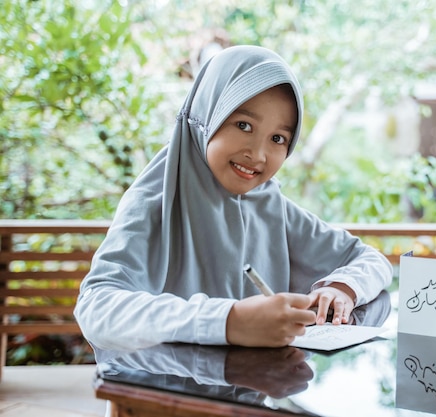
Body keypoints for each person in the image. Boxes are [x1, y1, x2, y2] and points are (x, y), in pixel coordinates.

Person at [74, 45, 392, 353]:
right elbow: (96, 308)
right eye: (243, 125)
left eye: (278, 138)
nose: (258, 154)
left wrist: (343, 287)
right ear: (206, 117)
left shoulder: (269, 205)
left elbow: (371, 260)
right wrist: (228, 321)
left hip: (256, 396)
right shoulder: (153, 203)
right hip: (162, 400)